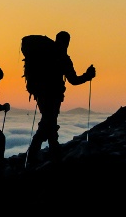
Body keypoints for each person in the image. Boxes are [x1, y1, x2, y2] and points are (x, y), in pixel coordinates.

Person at [28, 31, 96, 165]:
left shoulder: (45, 55)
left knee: (48, 123)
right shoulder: (63, 57)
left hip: (41, 96)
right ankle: (43, 155)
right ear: (67, 42)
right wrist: (88, 75)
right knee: (48, 123)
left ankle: (51, 152)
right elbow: (74, 80)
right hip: (53, 96)